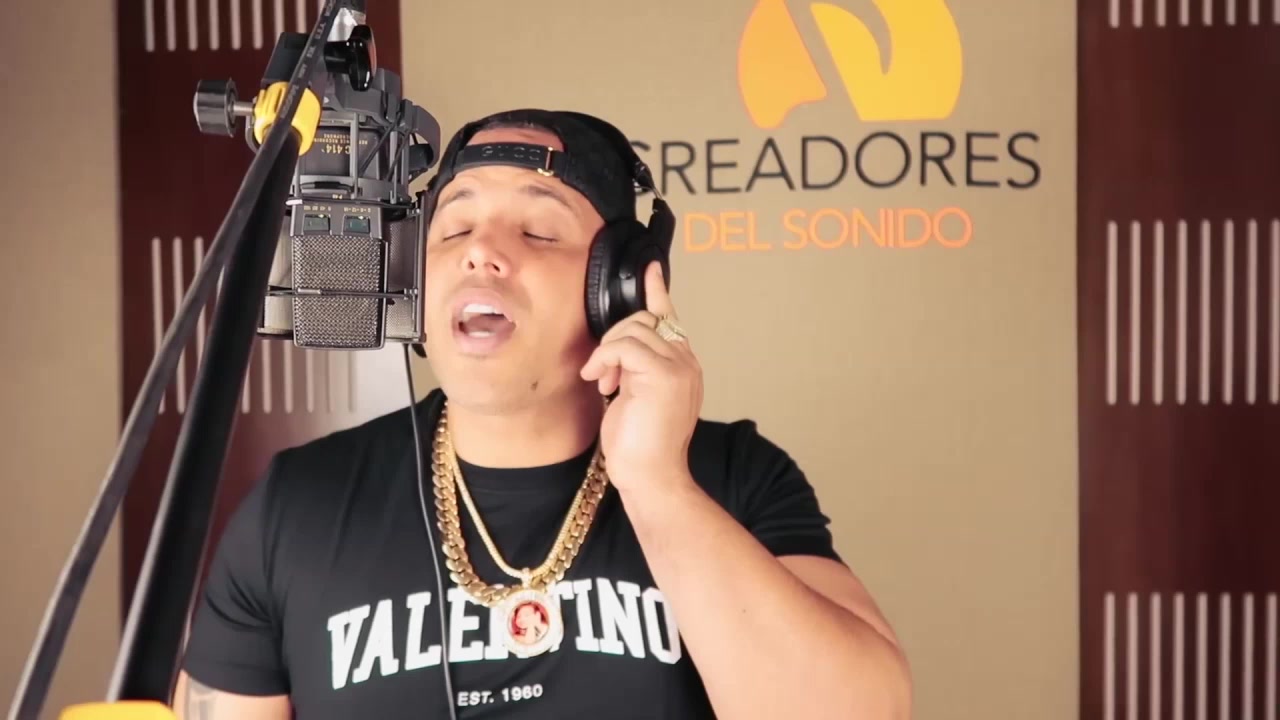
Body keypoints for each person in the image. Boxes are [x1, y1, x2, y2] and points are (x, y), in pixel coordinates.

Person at [171, 108, 912, 719]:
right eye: (454, 228)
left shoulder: (734, 478)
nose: (480, 253)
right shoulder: (294, 506)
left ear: (620, 285)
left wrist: (658, 485)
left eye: (538, 231)